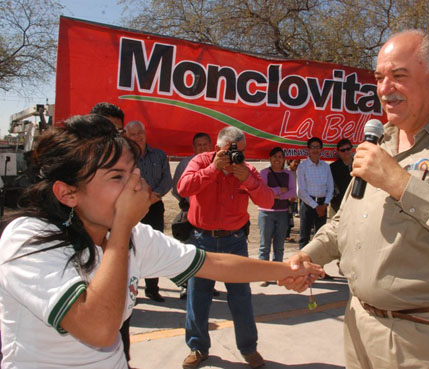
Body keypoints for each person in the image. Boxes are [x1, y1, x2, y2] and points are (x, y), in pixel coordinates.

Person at [279, 29, 429, 369]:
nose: (384, 89)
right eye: (379, 78)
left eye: (399, 76)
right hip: (360, 325)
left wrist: (401, 183)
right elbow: (343, 220)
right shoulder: (382, 142)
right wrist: (308, 254)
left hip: (428, 336)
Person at [0, 115, 323, 369]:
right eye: (116, 177)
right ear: (67, 193)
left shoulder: (131, 235)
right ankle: (198, 347)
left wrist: (284, 269)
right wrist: (124, 228)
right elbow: (98, 329)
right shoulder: (30, 238)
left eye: (133, 172)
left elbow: (214, 263)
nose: (136, 184)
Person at [177, 126, 277, 369]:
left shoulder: (247, 169)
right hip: (203, 241)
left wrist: (249, 180)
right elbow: (183, 188)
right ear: (218, 148)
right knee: (197, 297)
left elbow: (268, 200)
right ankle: (198, 347)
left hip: (234, 241)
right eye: (231, 151)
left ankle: (249, 348)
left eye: (241, 151)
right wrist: (214, 169)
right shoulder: (201, 161)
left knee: (240, 297)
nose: (236, 156)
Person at [125, 120, 172, 302]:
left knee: (154, 248)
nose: (137, 137)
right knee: (130, 250)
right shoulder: (123, 157)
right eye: (133, 134)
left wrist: (154, 197)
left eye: (140, 133)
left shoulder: (159, 155)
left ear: (145, 134)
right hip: (131, 208)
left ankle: (153, 288)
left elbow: (166, 180)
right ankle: (131, 291)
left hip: (154, 207)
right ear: (126, 136)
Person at [171, 132, 213, 299]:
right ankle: (185, 285)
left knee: (208, 252)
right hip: (190, 213)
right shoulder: (185, 164)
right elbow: (176, 188)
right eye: (199, 145)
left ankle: (207, 285)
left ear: (211, 146)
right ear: (194, 147)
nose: (202, 148)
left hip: (211, 214)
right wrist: (187, 202)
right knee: (189, 250)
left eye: (205, 144)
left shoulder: (218, 162)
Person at [257, 147, 296, 286]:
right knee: (264, 246)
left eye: (280, 156)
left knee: (279, 246)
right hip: (266, 213)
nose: (277, 159)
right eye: (275, 156)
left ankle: (278, 274)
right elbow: (263, 191)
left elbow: (292, 193)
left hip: (282, 213)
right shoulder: (264, 173)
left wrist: (276, 195)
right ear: (270, 158)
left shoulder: (288, 174)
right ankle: (264, 275)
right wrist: (280, 191)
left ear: (284, 159)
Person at [296, 137, 334, 249]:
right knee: (304, 237)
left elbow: (330, 188)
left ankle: (318, 265)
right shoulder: (302, 167)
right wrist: (315, 206)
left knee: (320, 237)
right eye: (313, 147)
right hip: (308, 204)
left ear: (321, 149)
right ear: (308, 150)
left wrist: (325, 204)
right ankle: (302, 264)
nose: (315, 150)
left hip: (323, 204)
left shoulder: (326, 166)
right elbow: (300, 191)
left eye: (318, 147)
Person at [329, 138, 354, 217]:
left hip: (356, 205)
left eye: (348, 149)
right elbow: (330, 186)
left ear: (352, 149)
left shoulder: (360, 165)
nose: (346, 152)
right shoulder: (332, 168)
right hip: (337, 206)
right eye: (343, 150)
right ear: (338, 152)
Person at [285, 158, 300, 242]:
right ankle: (285, 235)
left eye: (298, 162)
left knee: (290, 219)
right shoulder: (285, 172)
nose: (297, 164)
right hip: (286, 199)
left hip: (294, 199)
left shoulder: (299, 172)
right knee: (285, 218)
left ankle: (287, 235)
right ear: (289, 162)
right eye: (295, 162)